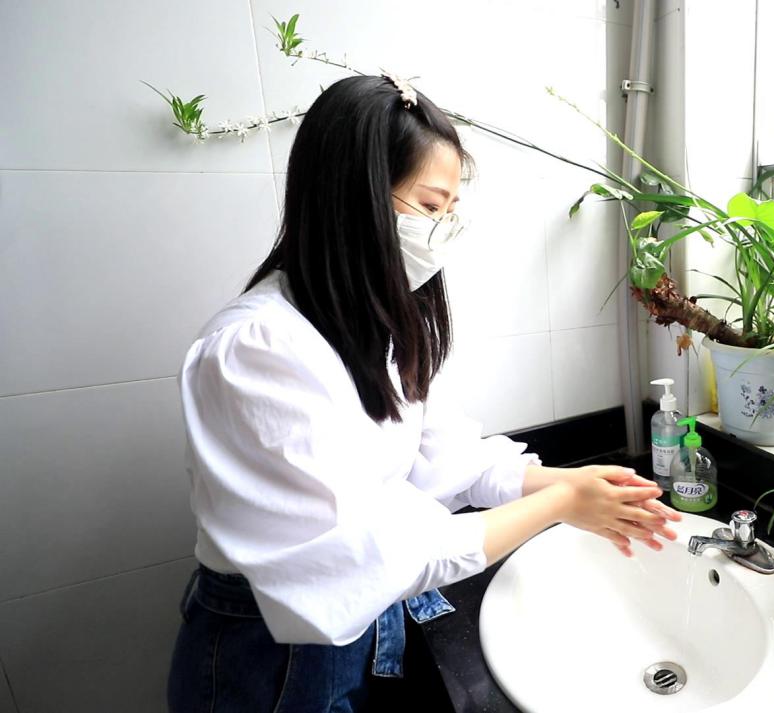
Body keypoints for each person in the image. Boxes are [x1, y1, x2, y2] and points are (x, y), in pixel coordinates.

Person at [166, 74, 679, 712]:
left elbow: (442, 455)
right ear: (352, 199)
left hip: (349, 625)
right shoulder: (256, 350)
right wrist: (562, 503)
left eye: (450, 209)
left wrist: (559, 481)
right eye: (431, 206)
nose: (442, 230)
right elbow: (366, 554)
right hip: (269, 657)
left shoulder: (365, 322)